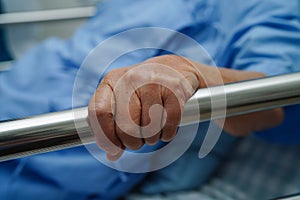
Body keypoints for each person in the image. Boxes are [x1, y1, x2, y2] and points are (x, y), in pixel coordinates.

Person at [0, 0, 300, 199]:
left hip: (39, 162)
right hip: (14, 89)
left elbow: (271, 109)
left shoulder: (270, 9)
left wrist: (192, 71)